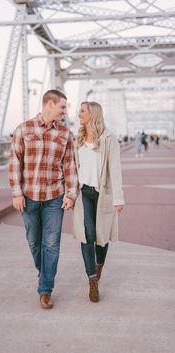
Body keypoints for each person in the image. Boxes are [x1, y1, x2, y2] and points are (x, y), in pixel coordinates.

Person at [9, 89, 78, 309]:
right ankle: (44, 271)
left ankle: (45, 290)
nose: (65, 112)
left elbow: (69, 166)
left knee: (51, 244)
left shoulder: (65, 134)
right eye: (63, 107)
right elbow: (14, 163)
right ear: (50, 103)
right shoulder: (23, 129)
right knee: (33, 242)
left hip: (54, 197)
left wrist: (71, 194)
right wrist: (16, 193)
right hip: (28, 197)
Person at [72, 101, 124, 303]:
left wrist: (118, 198)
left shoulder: (109, 139)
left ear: (92, 114)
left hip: (103, 193)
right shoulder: (78, 139)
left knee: (102, 236)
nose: (79, 114)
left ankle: (99, 265)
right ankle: (92, 280)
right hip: (83, 193)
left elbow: (115, 169)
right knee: (88, 235)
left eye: (82, 111)